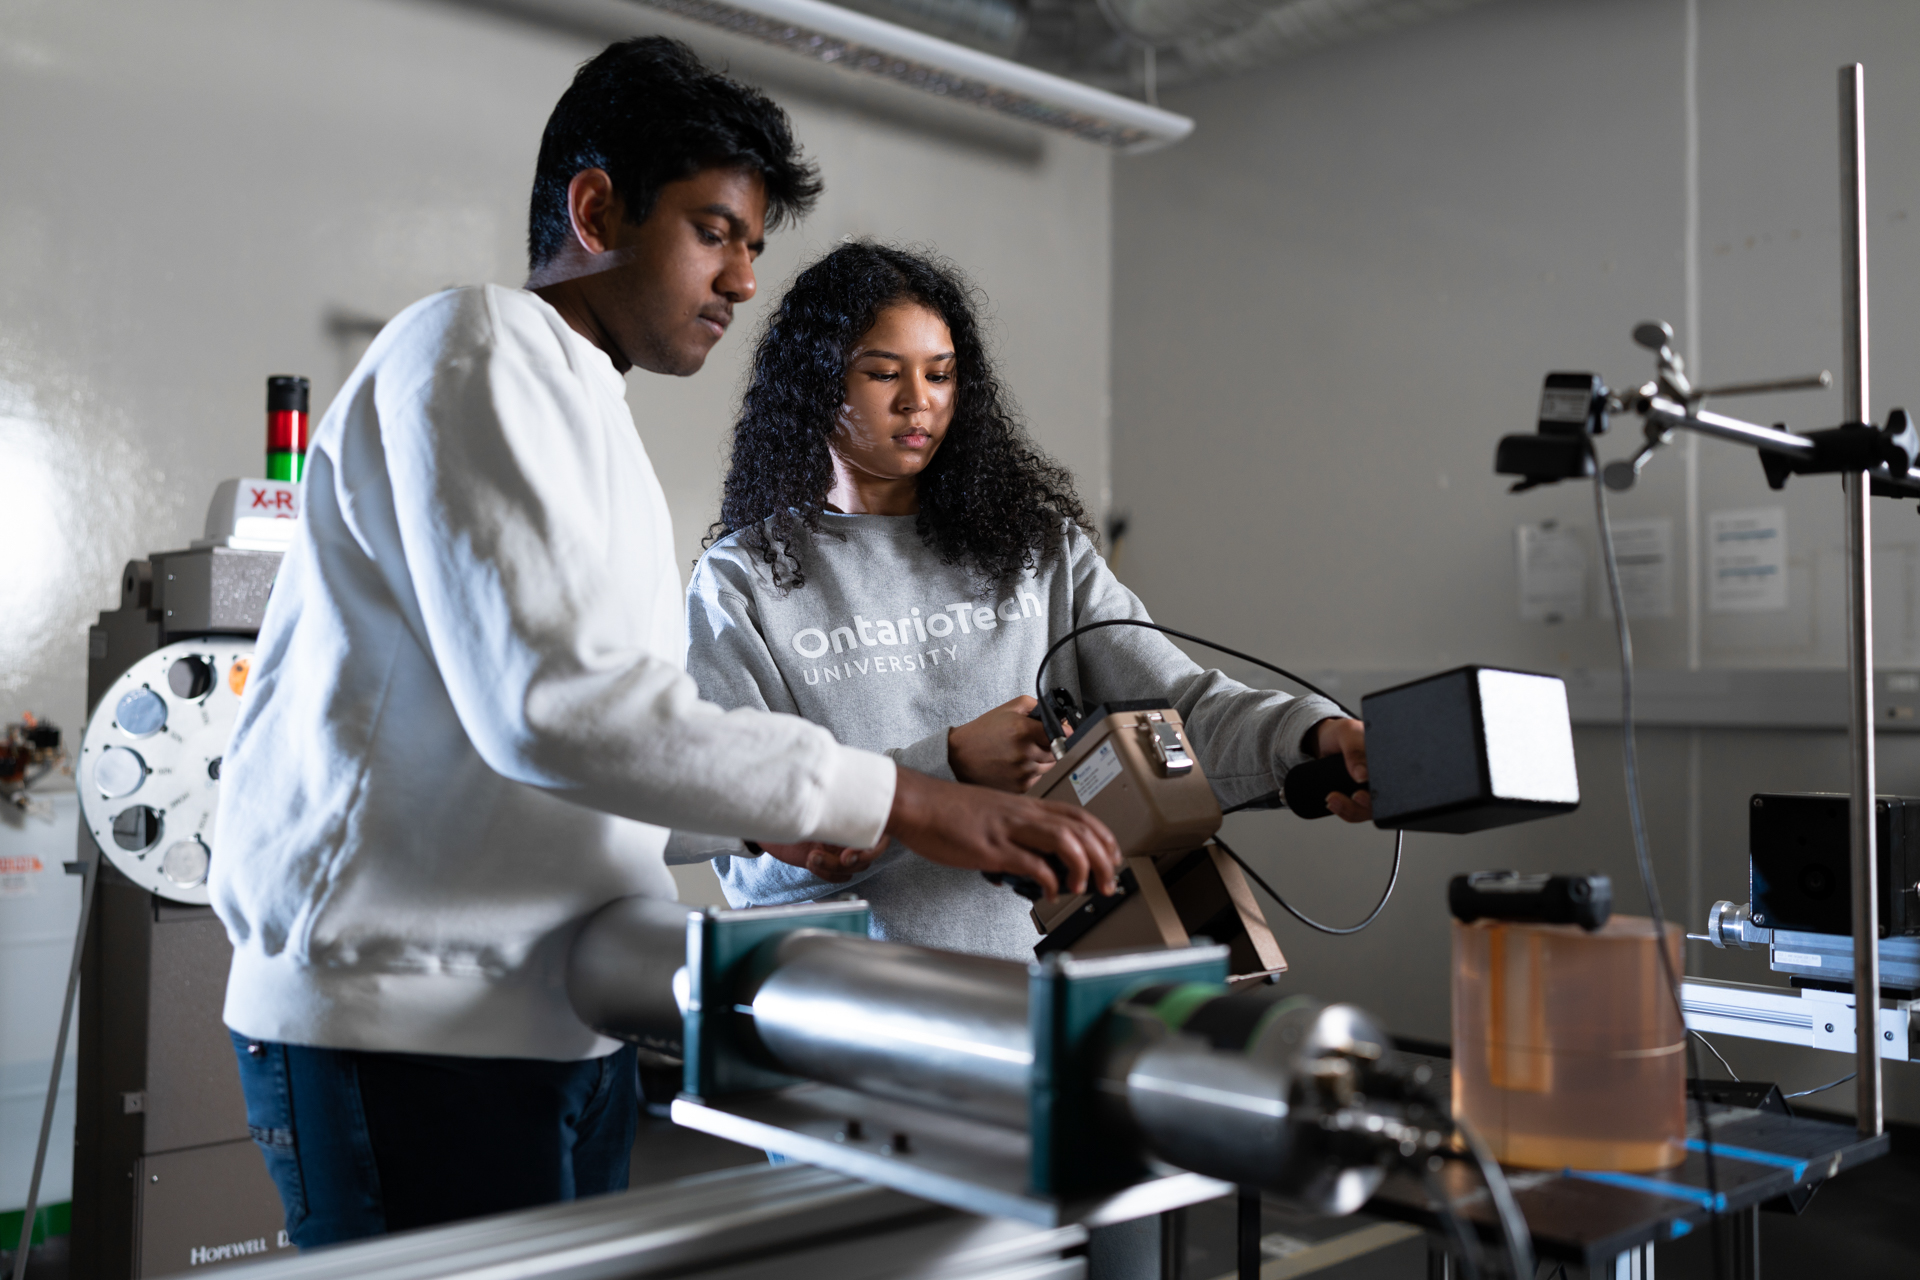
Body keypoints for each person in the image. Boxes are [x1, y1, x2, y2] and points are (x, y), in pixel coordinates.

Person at [210, 41, 1119, 1248]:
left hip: (557, 1012)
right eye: (714, 231)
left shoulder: (595, 416)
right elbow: (552, 705)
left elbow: (627, 721)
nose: (743, 277)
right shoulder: (474, 346)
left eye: (753, 243)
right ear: (597, 209)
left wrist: (767, 812)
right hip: (405, 1025)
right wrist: (901, 795)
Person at [674, 242, 1370, 961]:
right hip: (850, 1011)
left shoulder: (1037, 551)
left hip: (1041, 998)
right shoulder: (746, 581)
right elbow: (750, 864)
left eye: (941, 375)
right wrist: (949, 765)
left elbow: (1180, 713)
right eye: (884, 373)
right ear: (814, 387)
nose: (919, 402)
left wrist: (1313, 737)